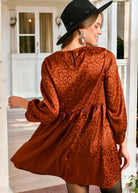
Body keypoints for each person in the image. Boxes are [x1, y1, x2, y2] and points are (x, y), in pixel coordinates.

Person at [8, 0, 130, 193]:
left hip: (72, 147)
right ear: (81, 28)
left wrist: (23, 103)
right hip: (102, 144)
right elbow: (116, 107)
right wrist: (122, 143)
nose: (99, 32)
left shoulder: (50, 63)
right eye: (97, 26)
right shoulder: (105, 58)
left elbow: (50, 112)